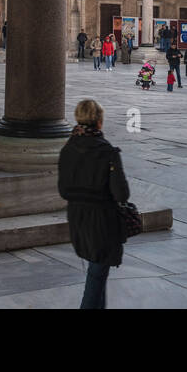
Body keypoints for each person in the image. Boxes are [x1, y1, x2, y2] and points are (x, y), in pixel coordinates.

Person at [58, 99, 130, 309]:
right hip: (102, 221)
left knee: (98, 272)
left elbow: (63, 190)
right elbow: (122, 193)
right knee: (96, 275)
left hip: (77, 218)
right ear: (99, 121)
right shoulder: (107, 152)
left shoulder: (67, 149)